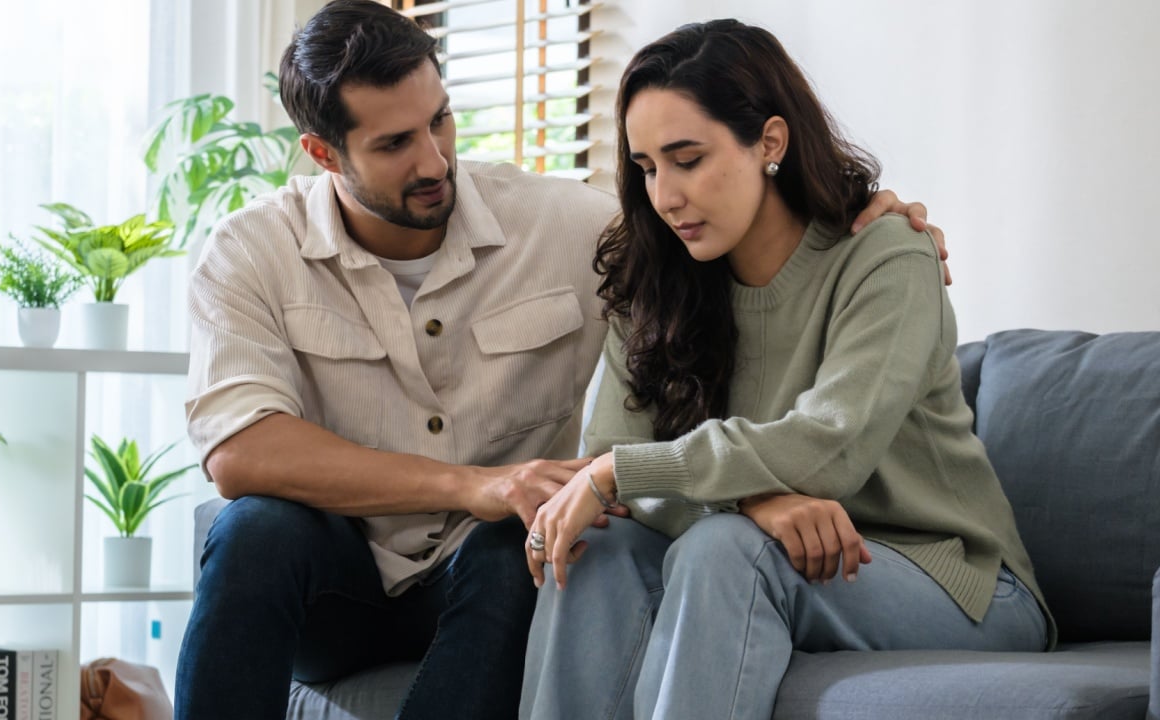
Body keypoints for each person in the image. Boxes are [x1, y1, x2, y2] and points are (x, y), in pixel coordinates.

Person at [174, 2, 944, 718]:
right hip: (338, 586)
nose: (435, 158)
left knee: (539, 536)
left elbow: (710, 216)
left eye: (439, 120)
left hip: (493, 570)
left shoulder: (573, 227)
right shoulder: (250, 253)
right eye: (394, 144)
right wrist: (472, 483)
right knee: (253, 531)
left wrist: (875, 216)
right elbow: (242, 452)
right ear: (322, 153)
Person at [520, 18, 1053, 720]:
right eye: (647, 167)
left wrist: (642, 477)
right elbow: (613, 473)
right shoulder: (655, 278)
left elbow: (828, 447)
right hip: (773, 551)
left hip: (953, 579)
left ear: (769, 142)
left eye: (688, 159)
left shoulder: (887, 256)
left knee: (725, 553)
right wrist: (751, 501)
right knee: (595, 545)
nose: (665, 196)